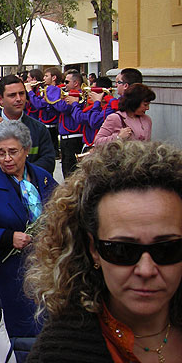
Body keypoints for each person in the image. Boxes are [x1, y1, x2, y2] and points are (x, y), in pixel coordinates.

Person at [25, 141, 182, 362]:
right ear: (93, 249)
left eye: (167, 249)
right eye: (121, 250)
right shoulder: (57, 355)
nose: (146, 270)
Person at [0, 120, 57, 337]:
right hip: (7, 273)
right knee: (19, 331)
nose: (7, 158)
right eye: (0, 153)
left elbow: (61, 211)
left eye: (13, 152)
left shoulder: (42, 178)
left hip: (45, 268)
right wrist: (7, 237)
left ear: (26, 150)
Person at [0, 75, 55, 174]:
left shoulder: (39, 129)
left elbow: (48, 162)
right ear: (1, 99)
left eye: (21, 94)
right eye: (12, 95)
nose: (19, 99)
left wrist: (22, 172)